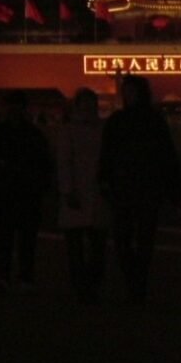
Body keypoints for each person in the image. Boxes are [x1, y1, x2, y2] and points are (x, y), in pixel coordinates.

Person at [99, 75, 181, 304]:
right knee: (124, 241)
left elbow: (167, 156)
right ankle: (136, 281)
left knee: (142, 240)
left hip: (144, 188)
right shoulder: (123, 121)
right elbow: (106, 154)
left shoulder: (146, 121)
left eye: (132, 92)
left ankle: (137, 285)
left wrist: (174, 190)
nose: (128, 96)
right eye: (126, 92)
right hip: (127, 188)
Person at [0, 90, 54, 292]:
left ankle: (7, 276)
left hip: (11, 191)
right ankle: (22, 277)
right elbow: (45, 164)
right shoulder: (32, 134)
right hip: (20, 192)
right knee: (22, 238)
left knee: (8, 237)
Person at [57, 88, 109, 303]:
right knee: (78, 248)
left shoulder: (100, 130)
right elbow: (64, 162)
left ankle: (90, 286)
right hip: (80, 192)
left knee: (95, 248)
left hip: (96, 192)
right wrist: (68, 190)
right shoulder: (71, 131)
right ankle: (83, 287)